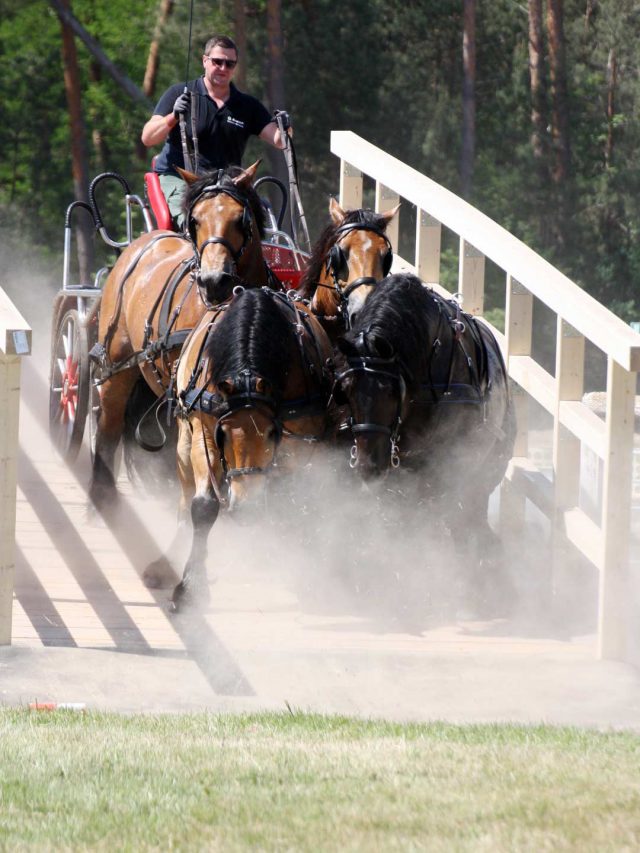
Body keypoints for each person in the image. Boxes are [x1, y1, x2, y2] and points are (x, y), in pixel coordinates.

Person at [141, 34, 290, 226]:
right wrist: (173, 117)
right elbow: (148, 137)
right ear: (205, 60)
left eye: (230, 64)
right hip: (181, 178)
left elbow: (280, 141)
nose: (223, 68)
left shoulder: (247, 105)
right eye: (217, 61)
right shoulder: (180, 93)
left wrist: (285, 126)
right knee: (195, 223)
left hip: (227, 185)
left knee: (249, 225)